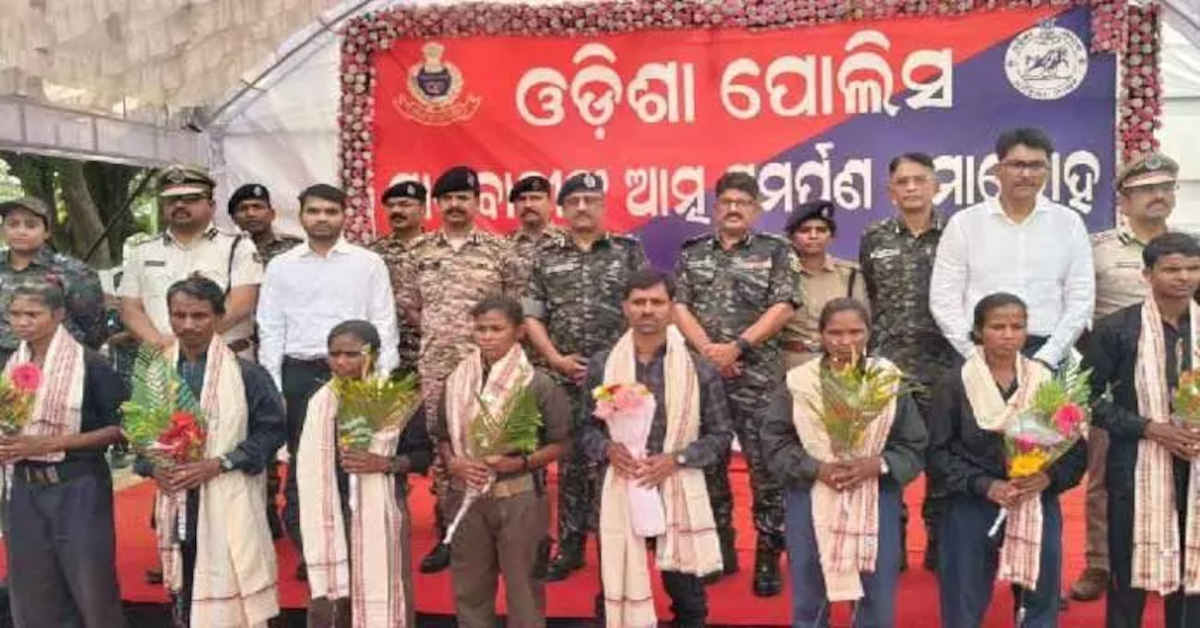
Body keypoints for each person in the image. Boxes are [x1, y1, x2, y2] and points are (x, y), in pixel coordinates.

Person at [257, 183, 399, 579]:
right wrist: (275, 387)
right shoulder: (281, 266)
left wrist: (379, 384)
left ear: (344, 216)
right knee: (304, 465)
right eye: (314, 211)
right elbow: (270, 327)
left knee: (351, 462)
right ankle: (312, 551)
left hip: (358, 376)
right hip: (300, 375)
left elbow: (384, 323)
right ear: (301, 215)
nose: (322, 218)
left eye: (331, 211)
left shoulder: (368, 263)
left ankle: (355, 548)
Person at [579, 269, 733, 627]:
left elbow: (721, 435)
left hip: (676, 488)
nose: (647, 310)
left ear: (672, 307)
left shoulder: (697, 367)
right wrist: (607, 449)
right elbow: (584, 428)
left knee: (688, 596)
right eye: (639, 302)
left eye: (657, 302)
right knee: (615, 586)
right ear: (625, 307)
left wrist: (677, 459)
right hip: (620, 486)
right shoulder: (604, 364)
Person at [761, 298, 928, 627]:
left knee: (875, 595)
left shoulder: (888, 380)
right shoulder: (799, 382)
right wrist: (816, 468)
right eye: (835, 333)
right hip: (810, 495)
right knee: (810, 592)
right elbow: (775, 442)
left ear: (869, 333)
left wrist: (876, 464)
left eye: (855, 332)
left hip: (876, 496)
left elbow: (914, 445)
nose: (845, 341)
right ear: (821, 335)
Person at [673, 171, 799, 593]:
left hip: (757, 377)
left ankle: (767, 556)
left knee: (766, 472)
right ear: (715, 208)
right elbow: (679, 306)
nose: (733, 209)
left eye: (742, 203)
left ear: (756, 209)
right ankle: (718, 551)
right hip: (705, 377)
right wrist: (710, 352)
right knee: (708, 466)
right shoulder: (693, 252)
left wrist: (738, 347)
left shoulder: (775, 251)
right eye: (726, 202)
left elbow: (784, 306)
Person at [929, 292, 1087, 627]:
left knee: (1041, 594)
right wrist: (985, 485)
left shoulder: (1045, 382)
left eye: (1017, 326)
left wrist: (1047, 478)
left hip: (1034, 497)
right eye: (997, 327)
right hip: (972, 502)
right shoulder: (954, 383)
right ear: (978, 331)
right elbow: (937, 453)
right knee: (963, 596)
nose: (1008, 335)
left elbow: (1074, 449)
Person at [137, 275, 285, 627]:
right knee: (184, 586)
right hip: (176, 498)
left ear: (218, 318)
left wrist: (221, 463)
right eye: (179, 315)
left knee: (231, 578)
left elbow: (272, 431)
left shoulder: (247, 374)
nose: (188, 325)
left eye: (199, 316)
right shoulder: (155, 374)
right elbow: (138, 433)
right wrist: (154, 467)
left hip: (227, 494)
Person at [523, 171, 648, 581]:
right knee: (572, 462)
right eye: (573, 201)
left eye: (590, 200)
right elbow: (532, 315)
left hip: (617, 377)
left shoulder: (628, 252)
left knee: (623, 456)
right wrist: (556, 359)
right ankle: (571, 546)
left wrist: (623, 364)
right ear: (562, 209)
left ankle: (623, 541)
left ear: (603, 205)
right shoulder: (545, 255)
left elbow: (647, 308)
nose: (582, 207)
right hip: (564, 375)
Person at [398, 165, 520, 573]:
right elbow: (410, 305)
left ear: (477, 202)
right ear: (437, 204)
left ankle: (496, 533)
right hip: (438, 368)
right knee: (444, 450)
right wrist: (443, 333)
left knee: (492, 444)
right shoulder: (418, 251)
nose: (455, 205)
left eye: (462, 198)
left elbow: (514, 308)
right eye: (447, 198)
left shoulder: (499, 250)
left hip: (488, 367)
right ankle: (450, 533)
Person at [1071, 152, 1179, 601]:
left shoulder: (1186, 247)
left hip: (1179, 380)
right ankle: (1100, 563)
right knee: (1105, 474)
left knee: (1178, 469)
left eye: (1166, 187)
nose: (1159, 196)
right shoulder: (1096, 248)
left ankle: (1173, 557)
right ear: (1123, 199)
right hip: (1116, 380)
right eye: (1147, 189)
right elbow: (1076, 308)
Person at [432, 295, 570, 628]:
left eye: (497, 329)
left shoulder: (537, 382)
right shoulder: (457, 380)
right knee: (470, 589)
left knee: (524, 591)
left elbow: (563, 443)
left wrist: (519, 464)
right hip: (466, 496)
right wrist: (453, 463)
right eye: (481, 329)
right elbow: (442, 436)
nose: (487, 337)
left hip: (518, 497)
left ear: (519, 331)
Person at [1085, 232, 1200, 626]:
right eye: (1172, 269)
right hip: (1134, 465)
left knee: (1194, 576)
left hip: (1195, 466)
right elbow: (1085, 399)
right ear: (1147, 274)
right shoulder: (1117, 329)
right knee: (1127, 574)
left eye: (1193, 268)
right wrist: (1149, 428)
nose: (1184, 277)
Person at [0, 279, 128, 628]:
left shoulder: (91, 364)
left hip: (77, 484)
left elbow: (122, 428)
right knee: (31, 591)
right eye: (15, 314)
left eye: (32, 314)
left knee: (92, 588)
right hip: (23, 486)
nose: (22, 322)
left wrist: (51, 443)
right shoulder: (13, 363)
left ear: (58, 315)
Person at [297, 320, 431, 627]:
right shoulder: (318, 403)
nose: (341, 362)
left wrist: (385, 464)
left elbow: (423, 456)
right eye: (334, 354)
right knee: (331, 601)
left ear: (373, 355)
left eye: (351, 354)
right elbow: (299, 468)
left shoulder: (398, 398)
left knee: (385, 589)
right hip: (330, 514)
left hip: (381, 511)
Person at [860, 152, 957, 570]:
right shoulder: (874, 237)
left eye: (920, 180)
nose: (912, 188)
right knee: (888, 456)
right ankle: (892, 541)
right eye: (903, 182)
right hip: (890, 366)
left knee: (943, 457)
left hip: (945, 365)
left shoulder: (957, 234)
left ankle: (938, 539)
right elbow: (870, 297)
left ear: (936, 185)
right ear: (891, 191)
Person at [930, 128, 1094, 367]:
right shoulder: (965, 224)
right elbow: (944, 298)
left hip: (1048, 349)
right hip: (978, 352)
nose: (1026, 174)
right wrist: (973, 355)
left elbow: (1081, 297)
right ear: (998, 170)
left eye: (1036, 166)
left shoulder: (1068, 223)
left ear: (1048, 171)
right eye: (1017, 165)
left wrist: (1047, 358)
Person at [119, 165, 263, 360]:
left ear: (212, 206)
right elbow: (130, 308)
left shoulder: (238, 247)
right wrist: (158, 343)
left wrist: (187, 342)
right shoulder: (142, 251)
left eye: (191, 199)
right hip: (160, 358)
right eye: (171, 200)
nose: (179, 205)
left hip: (224, 357)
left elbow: (241, 305)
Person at [0, 197, 106, 363]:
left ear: (47, 232)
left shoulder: (73, 272)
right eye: (13, 224)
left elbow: (93, 330)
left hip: (53, 362)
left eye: (31, 225)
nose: (21, 231)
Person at [780, 200, 868, 368]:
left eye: (821, 230)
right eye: (805, 230)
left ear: (832, 237)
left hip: (838, 363)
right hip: (790, 362)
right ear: (791, 237)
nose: (813, 236)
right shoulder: (780, 275)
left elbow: (862, 323)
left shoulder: (850, 274)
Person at [369, 180, 429, 373]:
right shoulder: (373, 253)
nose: (396, 210)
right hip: (386, 351)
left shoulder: (439, 249)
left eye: (404, 204)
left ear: (422, 209)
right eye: (391, 206)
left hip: (428, 351)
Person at [508, 174, 565, 295]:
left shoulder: (569, 241)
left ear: (550, 204)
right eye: (522, 199)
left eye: (535, 198)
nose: (528, 205)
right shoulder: (502, 245)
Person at [227, 183, 304, 266]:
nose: (251, 214)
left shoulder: (296, 248)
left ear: (272, 214)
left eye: (257, 207)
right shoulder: (226, 251)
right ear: (233, 218)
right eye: (243, 209)